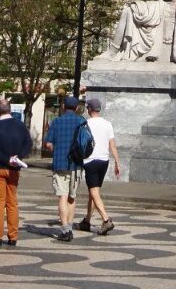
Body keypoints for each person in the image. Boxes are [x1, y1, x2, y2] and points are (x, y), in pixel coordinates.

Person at [0, 97, 32, 245]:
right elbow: (28, 143)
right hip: (14, 169)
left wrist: (6, 159)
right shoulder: (21, 126)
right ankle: (13, 237)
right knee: (12, 203)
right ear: (10, 110)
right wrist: (17, 157)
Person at [77, 96, 121, 235]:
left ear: (89, 109)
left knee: (94, 192)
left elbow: (81, 143)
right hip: (104, 160)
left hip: (90, 160)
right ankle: (87, 220)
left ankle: (106, 220)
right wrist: (117, 162)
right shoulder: (107, 124)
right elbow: (112, 145)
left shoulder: (86, 123)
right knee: (94, 192)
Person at [46, 94, 87, 240]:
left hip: (60, 163)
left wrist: (56, 148)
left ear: (63, 107)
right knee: (72, 197)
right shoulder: (82, 121)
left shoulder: (57, 122)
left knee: (62, 196)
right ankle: (69, 225)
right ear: (76, 108)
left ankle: (65, 230)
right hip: (76, 164)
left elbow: (48, 144)